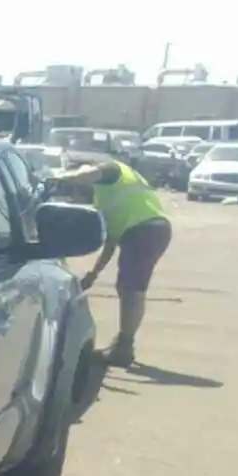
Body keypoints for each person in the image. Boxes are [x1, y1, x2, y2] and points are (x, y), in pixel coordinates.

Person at [62, 157, 172, 368]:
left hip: (144, 229)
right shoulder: (103, 198)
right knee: (128, 287)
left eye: (76, 189)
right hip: (149, 231)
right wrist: (93, 274)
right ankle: (124, 343)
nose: (76, 194)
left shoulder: (112, 170)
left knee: (132, 289)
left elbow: (86, 174)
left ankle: (124, 347)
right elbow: (110, 243)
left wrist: (60, 176)